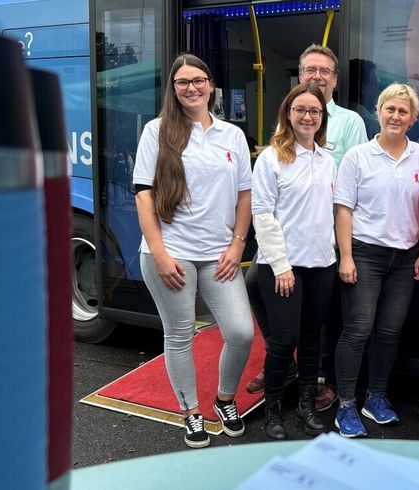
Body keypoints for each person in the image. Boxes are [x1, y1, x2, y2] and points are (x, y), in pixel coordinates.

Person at [133, 54, 254, 449]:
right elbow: (144, 195)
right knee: (180, 335)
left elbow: (244, 195)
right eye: (183, 82)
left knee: (240, 332)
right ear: (173, 88)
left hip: (219, 254)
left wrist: (238, 244)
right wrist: (160, 252)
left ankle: (224, 399)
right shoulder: (157, 131)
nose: (192, 88)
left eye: (198, 80)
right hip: (171, 253)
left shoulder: (231, 135)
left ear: (211, 84)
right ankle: (191, 414)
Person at [244, 45, 367, 413]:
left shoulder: (345, 130)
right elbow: (265, 207)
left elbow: (355, 183)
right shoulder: (279, 143)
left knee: (316, 328)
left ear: (334, 78)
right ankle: (280, 377)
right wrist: (279, 261)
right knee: (274, 317)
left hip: (324, 247)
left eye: (325, 71)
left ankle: (314, 389)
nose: (317, 76)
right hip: (284, 250)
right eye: (310, 69)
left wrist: (342, 249)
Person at [332, 83, 419, 437]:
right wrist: (345, 256)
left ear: (413, 118)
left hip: (405, 258)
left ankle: (375, 397)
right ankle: (345, 404)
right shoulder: (357, 156)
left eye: (403, 111)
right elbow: (342, 209)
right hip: (364, 253)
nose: (396, 116)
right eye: (390, 109)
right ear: (379, 112)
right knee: (358, 329)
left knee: (389, 332)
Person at [250, 83, 337, 440]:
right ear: (288, 113)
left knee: (313, 339)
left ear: (322, 117)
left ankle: (305, 408)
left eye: (315, 111)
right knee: (284, 341)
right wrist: (282, 265)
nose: (307, 116)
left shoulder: (328, 160)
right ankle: (273, 413)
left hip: (322, 263)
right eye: (300, 109)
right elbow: (262, 214)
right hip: (282, 266)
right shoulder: (272, 158)